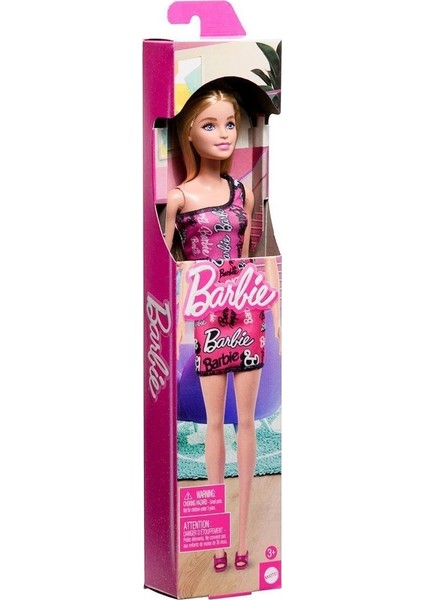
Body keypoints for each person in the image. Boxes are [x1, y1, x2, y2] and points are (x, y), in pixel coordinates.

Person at [164, 89, 280, 572]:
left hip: (247, 310)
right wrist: (174, 324)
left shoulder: (242, 192)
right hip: (207, 314)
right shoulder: (179, 198)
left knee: (245, 421)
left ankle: (245, 533)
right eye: (209, 124)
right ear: (188, 132)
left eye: (230, 123)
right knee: (215, 422)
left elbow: (255, 254)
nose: (224, 134)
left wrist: (277, 315)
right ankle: (216, 539)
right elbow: (165, 268)